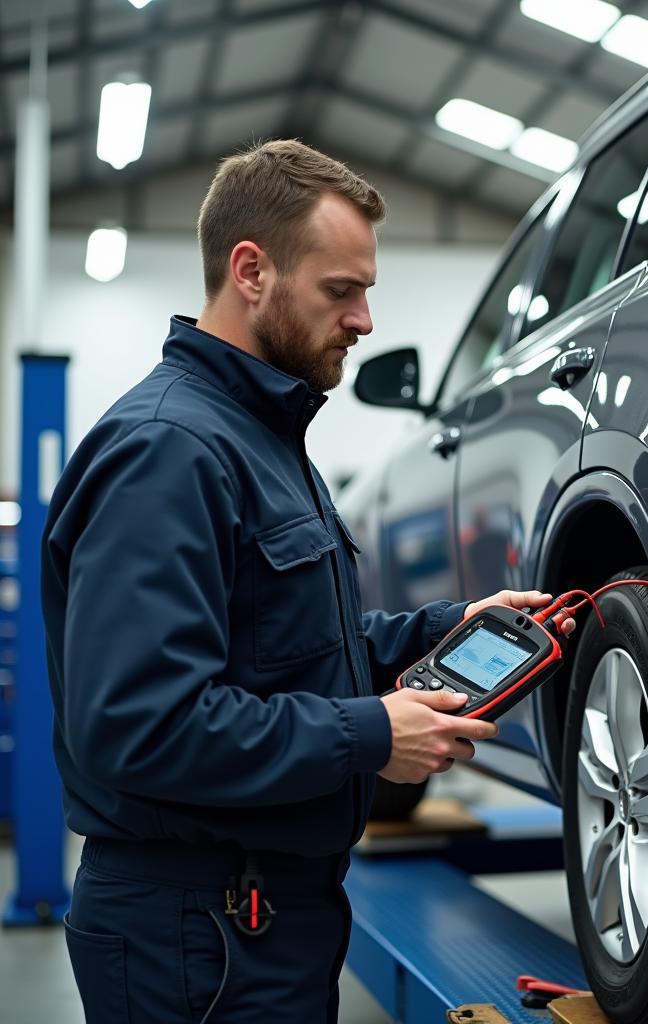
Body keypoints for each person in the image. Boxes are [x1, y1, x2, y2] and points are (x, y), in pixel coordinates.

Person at [40, 139, 573, 1023]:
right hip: (194, 935)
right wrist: (370, 737)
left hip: (260, 918)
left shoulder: (263, 440)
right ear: (251, 270)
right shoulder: (169, 451)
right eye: (341, 290)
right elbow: (139, 727)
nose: (365, 319)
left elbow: (289, 651)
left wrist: (447, 629)